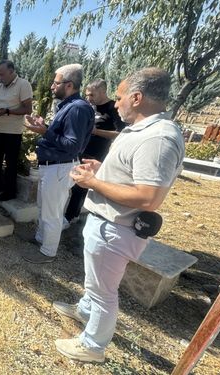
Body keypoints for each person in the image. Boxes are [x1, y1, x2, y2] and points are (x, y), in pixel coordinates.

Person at [52, 68, 185, 363]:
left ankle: (92, 346)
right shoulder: (143, 130)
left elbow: (149, 197)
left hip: (116, 228)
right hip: (107, 223)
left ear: (137, 98)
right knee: (96, 284)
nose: (115, 103)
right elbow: (133, 178)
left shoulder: (158, 138)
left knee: (104, 292)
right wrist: (102, 171)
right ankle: (84, 311)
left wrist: (93, 183)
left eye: (121, 96)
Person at [23, 63, 94, 263]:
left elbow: (72, 145)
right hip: (52, 166)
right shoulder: (69, 107)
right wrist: (44, 127)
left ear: (69, 85)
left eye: (56, 83)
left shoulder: (77, 109)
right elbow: (62, 136)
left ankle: (47, 252)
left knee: (52, 212)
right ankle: (40, 239)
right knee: (43, 207)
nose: (52, 87)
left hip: (60, 166)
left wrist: (44, 131)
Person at [63, 79, 126, 228]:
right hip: (79, 150)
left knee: (80, 186)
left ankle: (71, 217)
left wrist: (96, 131)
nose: (89, 98)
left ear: (103, 92)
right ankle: (68, 213)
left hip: (95, 154)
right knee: (71, 183)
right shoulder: (90, 107)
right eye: (87, 95)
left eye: (92, 95)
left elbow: (121, 134)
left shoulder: (113, 108)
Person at [0, 60, 33, 201]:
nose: (0, 77)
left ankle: (10, 192)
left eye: (2, 74)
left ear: (11, 71)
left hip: (13, 132)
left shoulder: (23, 84)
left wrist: (8, 111)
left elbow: (27, 109)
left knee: (10, 163)